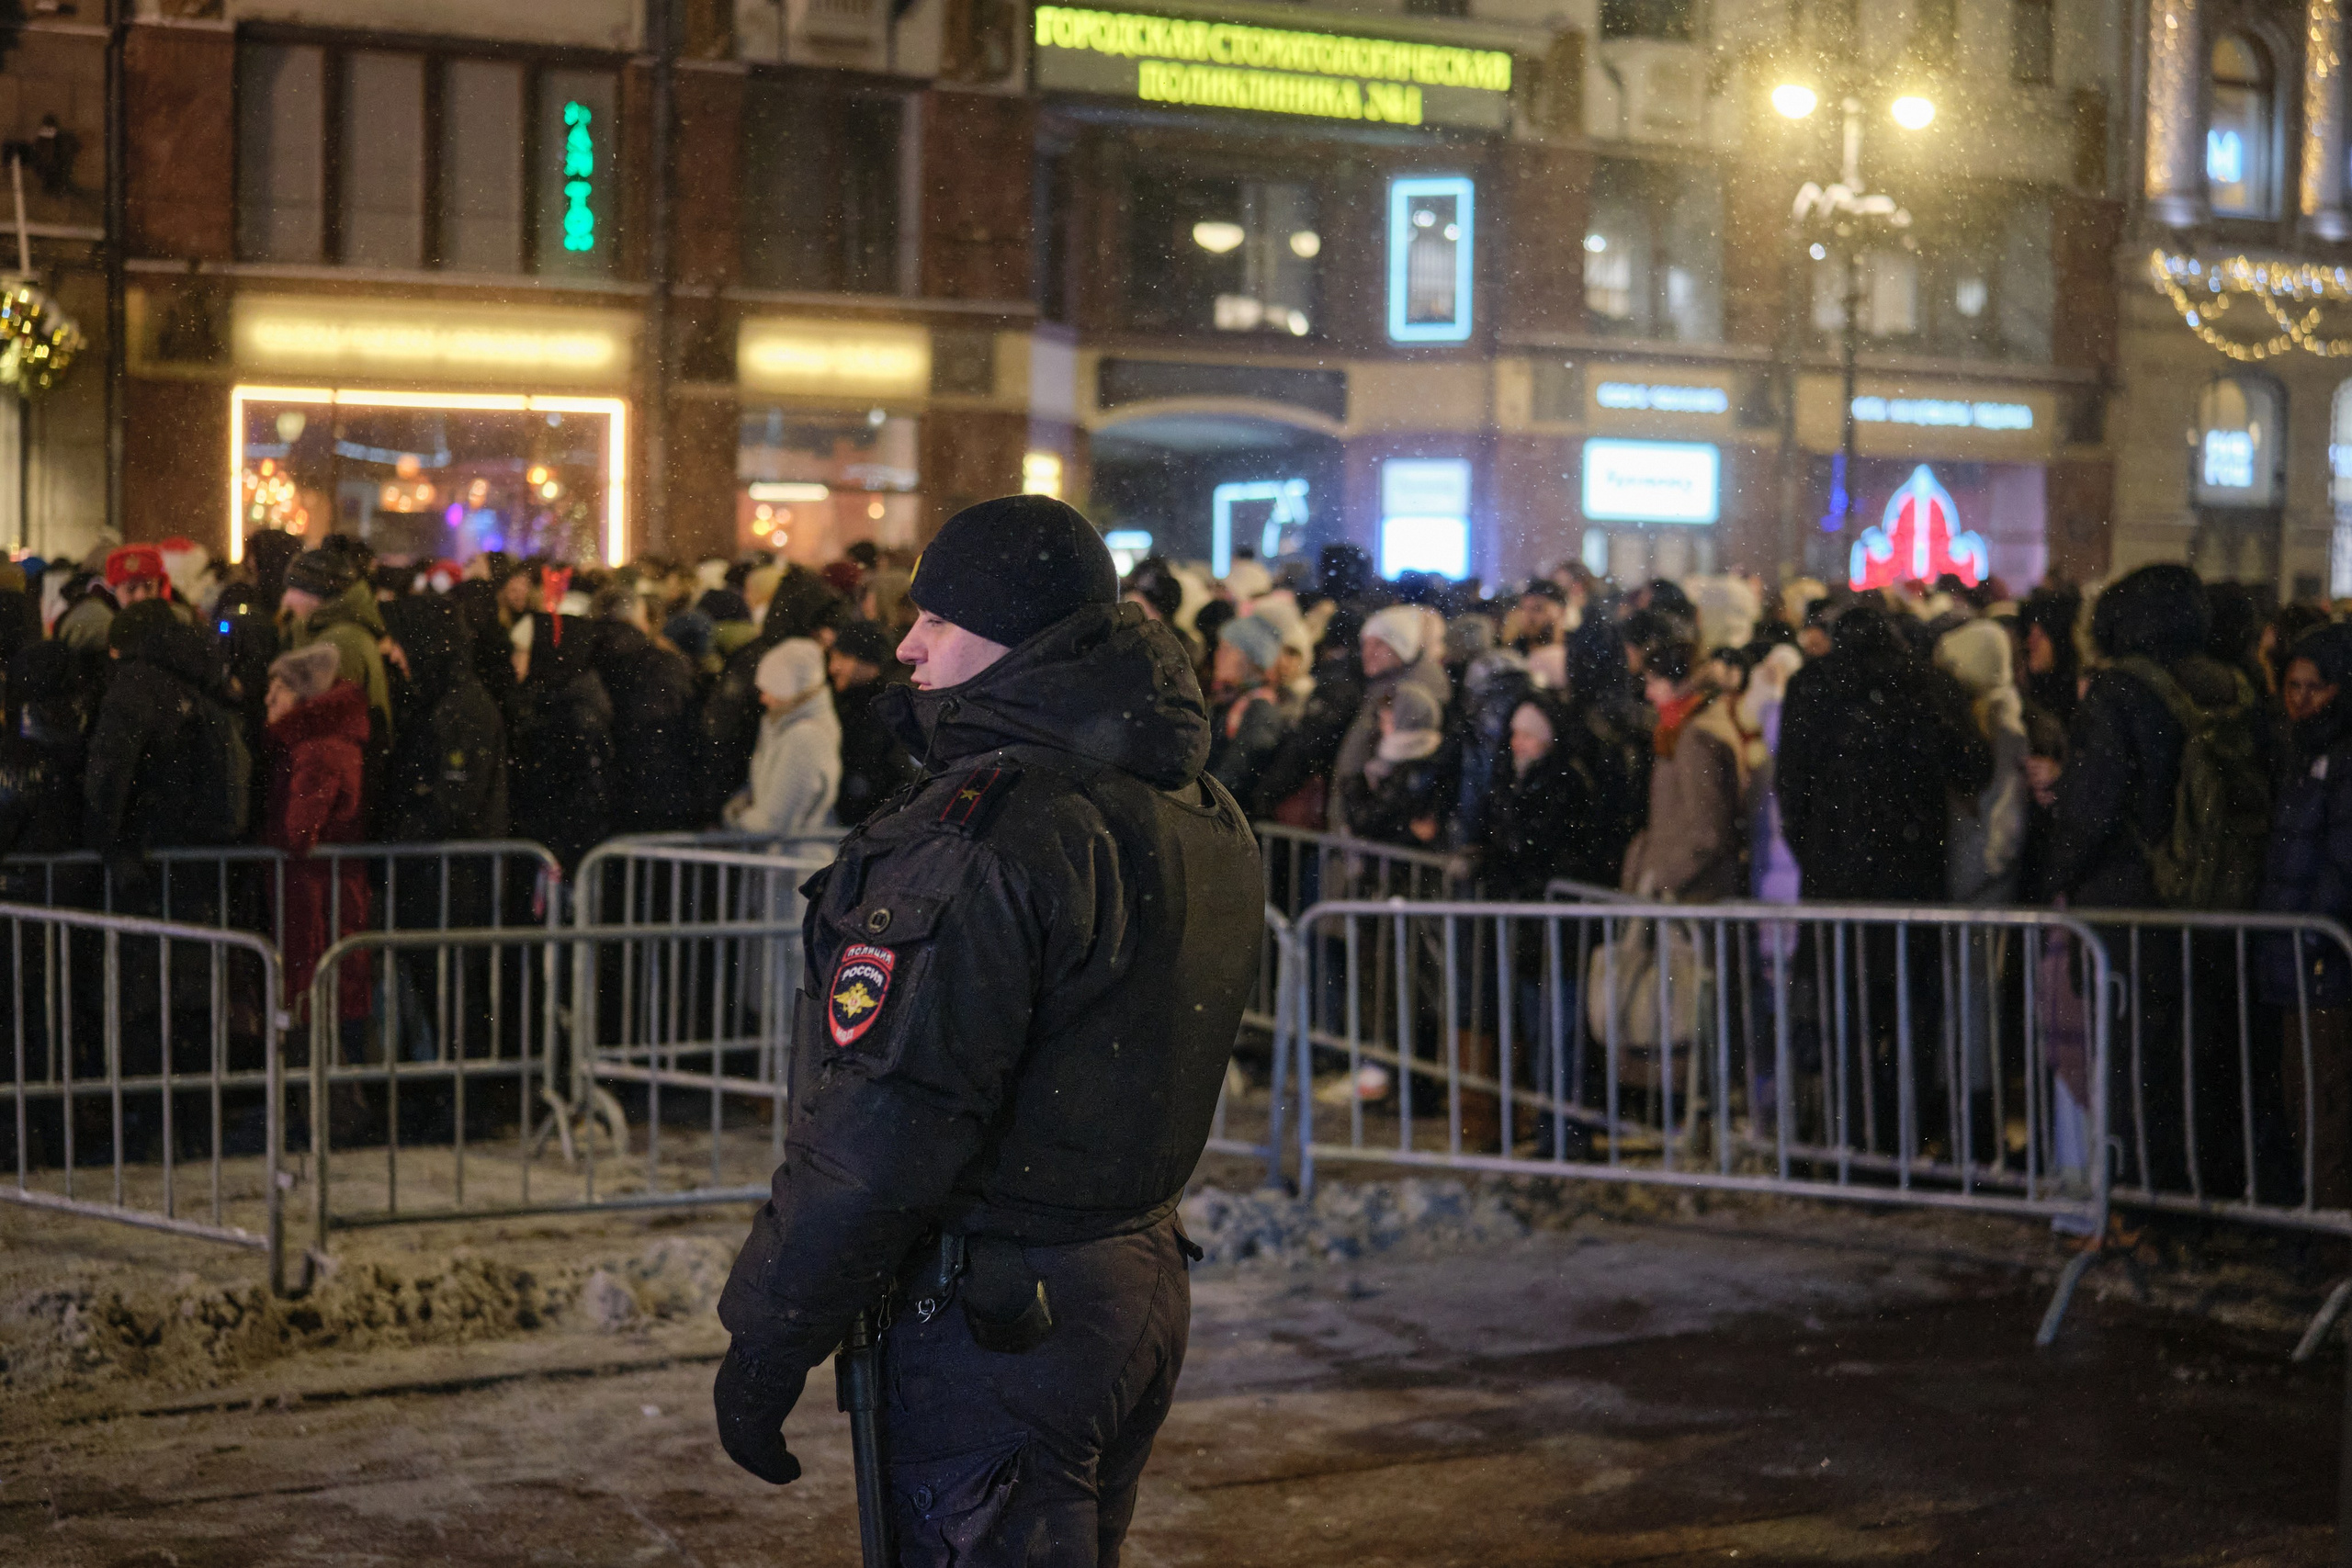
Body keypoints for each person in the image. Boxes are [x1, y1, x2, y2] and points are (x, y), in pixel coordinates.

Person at [713, 494, 1261, 1565]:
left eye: (941, 623)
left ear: (1017, 640)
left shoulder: (996, 834)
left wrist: (770, 1338)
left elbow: (881, 1129)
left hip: (1000, 1316)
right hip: (1123, 1280)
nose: (908, 645)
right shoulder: (1187, 799)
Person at [2259, 623, 2352, 1209]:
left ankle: (2331, 1240)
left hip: (2322, 960)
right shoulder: (2302, 755)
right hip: (2296, 956)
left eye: (2315, 687)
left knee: (2327, 1102)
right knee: (2304, 1099)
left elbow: (2341, 860)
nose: (2301, 700)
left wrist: (2314, 934)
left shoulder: (2340, 761)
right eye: (2292, 686)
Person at [263, 643, 372, 1049]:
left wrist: (267, 840)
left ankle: (330, 1105)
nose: (269, 697)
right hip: (324, 892)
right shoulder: (320, 743)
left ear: (304, 697)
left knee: (318, 996)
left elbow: (298, 832)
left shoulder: (316, 750)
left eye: (280, 688)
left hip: (317, 897)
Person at [1618, 634, 1747, 902]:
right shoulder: (1686, 729)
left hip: (1690, 895)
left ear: (1679, 684)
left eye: (1653, 682)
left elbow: (1707, 831)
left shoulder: (1696, 738)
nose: (1648, 693)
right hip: (1685, 891)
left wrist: (1663, 879)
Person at [590, 585, 701, 835]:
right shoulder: (662, 664)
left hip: (596, 795)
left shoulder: (580, 658)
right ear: (638, 618)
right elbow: (681, 726)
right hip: (654, 795)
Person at [1936, 618, 2030, 906]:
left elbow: (2005, 819)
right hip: (1975, 878)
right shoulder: (1987, 720)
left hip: (1981, 886)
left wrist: (1973, 872)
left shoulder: (2003, 729)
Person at [723, 638, 840, 839]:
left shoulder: (804, 739)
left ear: (794, 691)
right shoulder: (783, 727)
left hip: (795, 863)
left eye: (772, 689)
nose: (763, 698)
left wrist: (736, 817)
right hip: (785, 860)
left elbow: (774, 823)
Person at [828, 618, 914, 829]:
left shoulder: (890, 708)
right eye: (832, 656)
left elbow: (898, 770)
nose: (834, 667)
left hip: (868, 823)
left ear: (871, 664)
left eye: (845, 657)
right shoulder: (837, 700)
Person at [1205, 613, 1289, 808]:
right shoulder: (1231, 702)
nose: (1218, 655)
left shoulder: (1259, 709)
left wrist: (1204, 799)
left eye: (1227, 649)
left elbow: (1239, 769)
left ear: (1249, 660)